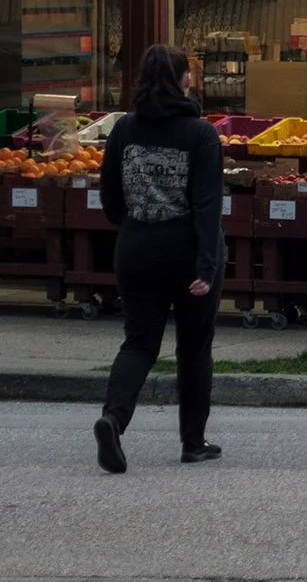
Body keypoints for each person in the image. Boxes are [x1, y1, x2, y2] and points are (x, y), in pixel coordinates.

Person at [94, 44, 225, 472]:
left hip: (136, 248)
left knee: (139, 343)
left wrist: (133, 224)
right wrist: (207, 264)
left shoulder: (123, 131)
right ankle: (193, 441)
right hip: (187, 252)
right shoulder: (200, 134)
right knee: (194, 348)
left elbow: (110, 198)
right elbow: (207, 205)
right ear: (182, 80)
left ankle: (113, 419)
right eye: (188, 74)